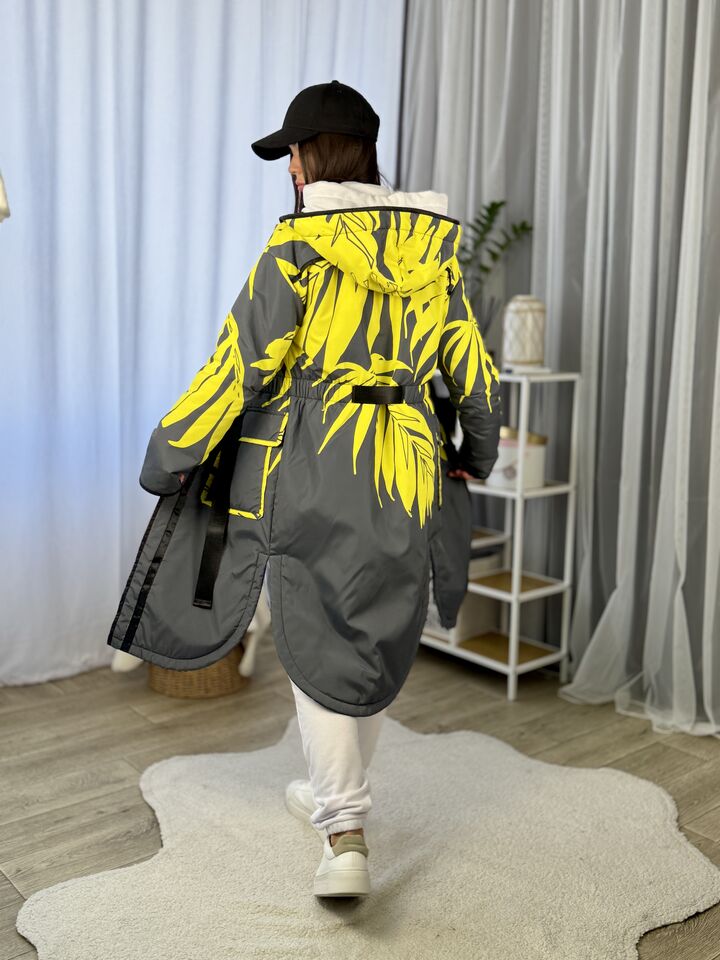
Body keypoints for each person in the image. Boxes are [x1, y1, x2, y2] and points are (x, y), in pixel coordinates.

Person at [110, 80, 501, 898]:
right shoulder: (433, 256)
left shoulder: (296, 251)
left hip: (318, 466)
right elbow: (473, 371)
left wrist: (168, 456)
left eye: (291, 152)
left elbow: (236, 367)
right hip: (408, 470)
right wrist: (478, 451)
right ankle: (335, 799)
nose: (288, 167)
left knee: (315, 631)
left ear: (313, 157)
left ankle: (345, 835)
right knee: (377, 630)